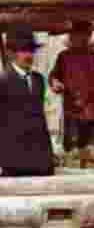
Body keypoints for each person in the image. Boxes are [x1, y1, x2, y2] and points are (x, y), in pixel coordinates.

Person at [49, 19, 94, 169]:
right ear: (71, 36)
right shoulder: (63, 56)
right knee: (73, 154)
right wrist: (55, 83)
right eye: (76, 35)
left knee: (91, 153)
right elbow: (53, 76)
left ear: (89, 36)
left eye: (85, 35)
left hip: (93, 113)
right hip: (72, 113)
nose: (80, 39)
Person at [0, 25, 55, 177]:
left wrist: (48, 156)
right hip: (13, 160)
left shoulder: (38, 80)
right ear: (11, 53)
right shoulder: (3, 81)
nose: (28, 55)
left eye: (31, 50)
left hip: (40, 161)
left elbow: (41, 120)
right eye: (23, 50)